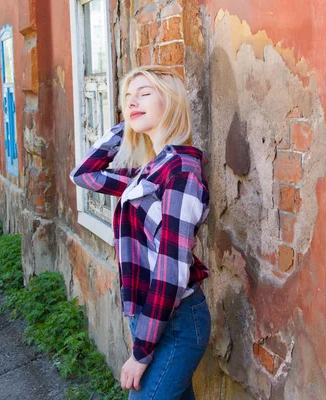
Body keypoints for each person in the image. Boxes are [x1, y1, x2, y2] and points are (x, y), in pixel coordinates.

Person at [70, 65, 211, 400]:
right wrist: (130, 126)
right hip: (151, 317)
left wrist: (140, 353)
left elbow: (170, 272)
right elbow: (84, 174)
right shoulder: (149, 171)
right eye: (127, 98)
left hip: (175, 324)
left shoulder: (180, 172)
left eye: (145, 94)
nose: (132, 102)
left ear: (172, 102)